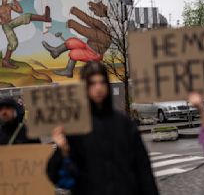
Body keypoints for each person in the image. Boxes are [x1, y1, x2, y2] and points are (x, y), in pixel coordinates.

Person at [46, 61, 159, 195]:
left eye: (102, 82)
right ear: (84, 87)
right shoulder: (76, 127)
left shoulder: (124, 123)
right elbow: (60, 178)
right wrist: (62, 152)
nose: (98, 88)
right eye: (93, 83)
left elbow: (143, 169)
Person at [0, 0, 51, 69]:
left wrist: (15, 0)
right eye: (4, 0)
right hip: (6, 26)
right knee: (13, 43)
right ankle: (5, 61)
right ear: (2, 1)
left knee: (25, 15)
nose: (5, 1)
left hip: (11, 22)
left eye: (6, 0)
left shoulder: (9, 6)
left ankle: (44, 18)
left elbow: (20, 10)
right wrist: (0, 23)